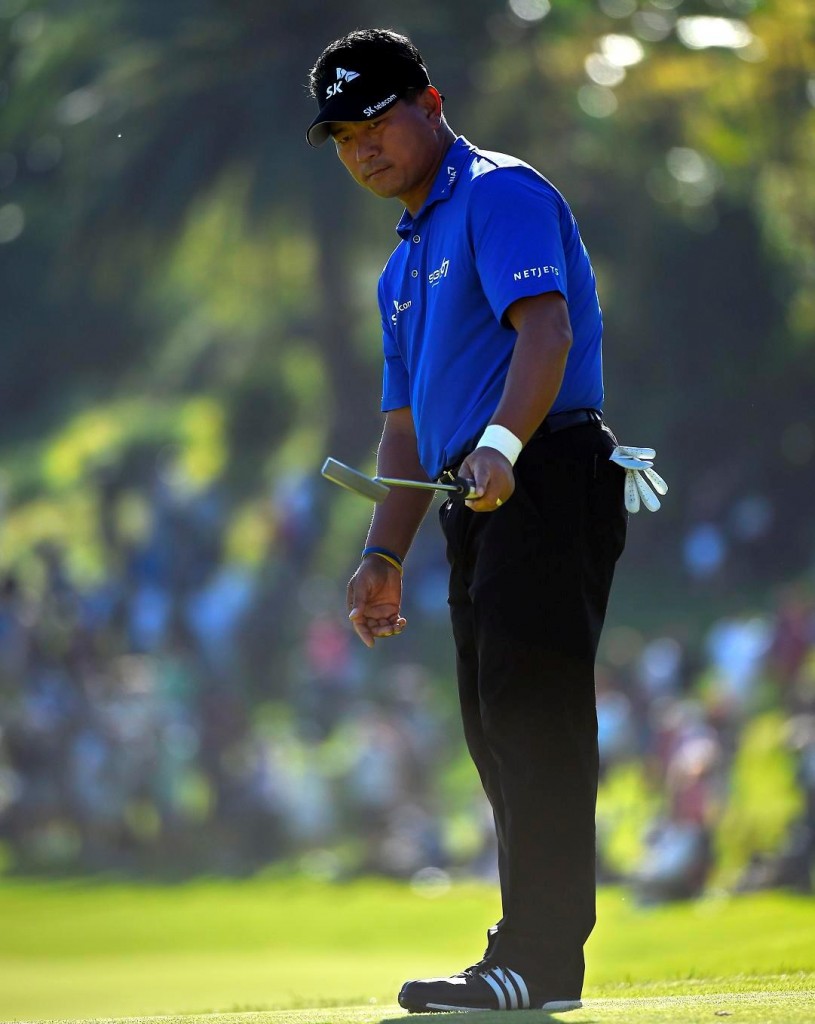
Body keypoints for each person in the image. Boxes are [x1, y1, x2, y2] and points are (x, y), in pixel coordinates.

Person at [306, 28, 628, 1013]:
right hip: (476, 497)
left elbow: (547, 331)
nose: (363, 147)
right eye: (343, 135)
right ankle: (525, 953)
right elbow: (402, 428)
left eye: (375, 120)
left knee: (533, 723)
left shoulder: (498, 193)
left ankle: (535, 959)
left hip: (544, 472)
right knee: (494, 727)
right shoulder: (398, 270)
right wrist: (381, 553)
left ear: (430, 102)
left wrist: (503, 443)